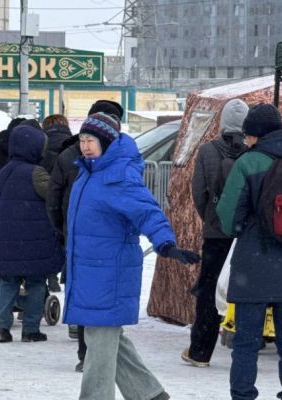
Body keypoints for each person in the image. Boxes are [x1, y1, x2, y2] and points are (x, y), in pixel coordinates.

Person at [64, 114, 199, 400]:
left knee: (100, 344)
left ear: (108, 143)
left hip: (109, 273)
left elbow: (147, 211)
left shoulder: (119, 176)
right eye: (83, 141)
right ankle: (149, 394)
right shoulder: (88, 173)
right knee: (109, 338)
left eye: (91, 141)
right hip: (89, 272)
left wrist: (165, 243)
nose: (86, 147)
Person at [216, 104, 282, 400]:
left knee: (246, 343)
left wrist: (246, 229)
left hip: (253, 265)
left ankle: (242, 395)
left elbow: (228, 218)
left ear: (255, 135)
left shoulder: (249, 163)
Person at [47, 100, 124, 373]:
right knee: (106, 297)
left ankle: (85, 353)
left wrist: (65, 230)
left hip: (78, 237)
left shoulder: (68, 156)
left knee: (82, 293)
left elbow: (53, 200)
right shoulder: (120, 158)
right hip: (107, 240)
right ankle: (101, 353)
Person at [182, 98, 249, 368]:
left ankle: (200, 351)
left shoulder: (208, 151)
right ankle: (245, 348)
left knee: (209, 290)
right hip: (245, 234)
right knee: (246, 290)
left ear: (222, 123)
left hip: (216, 233)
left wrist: (211, 218)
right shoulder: (251, 153)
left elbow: (198, 192)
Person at [0, 124, 64, 343]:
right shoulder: (36, 173)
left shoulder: (3, 172)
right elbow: (52, 196)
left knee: (8, 282)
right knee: (35, 283)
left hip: (8, 239)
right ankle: (31, 328)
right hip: (35, 240)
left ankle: (2, 327)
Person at [40, 114, 72, 292]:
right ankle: (64, 274)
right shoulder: (74, 145)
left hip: (45, 198)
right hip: (68, 199)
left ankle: (50, 276)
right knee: (64, 237)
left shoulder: (41, 146)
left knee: (46, 237)